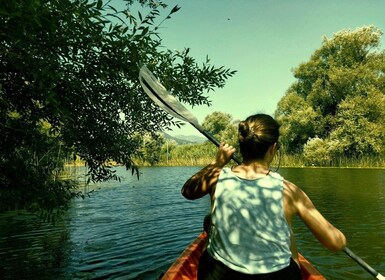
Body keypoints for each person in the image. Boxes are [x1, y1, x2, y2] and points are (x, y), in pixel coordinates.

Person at [181, 114, 346, 280]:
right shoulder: (289, 191)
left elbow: (188, 191)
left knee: (209, 222)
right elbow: (336, 243)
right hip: (277, 277)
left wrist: (217, 163)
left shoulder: (216, 177)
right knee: (288, 232)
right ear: (273, 148)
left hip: (220, 275)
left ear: (242, 145)